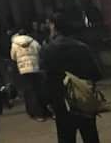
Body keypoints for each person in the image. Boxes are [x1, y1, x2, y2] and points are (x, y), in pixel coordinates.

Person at [41, 13, 102, 143]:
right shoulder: (82, 47)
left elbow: (46, 79)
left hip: (62, 101)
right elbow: (95, 74)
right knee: (90, 136)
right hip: (84, 98)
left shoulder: (48, 50)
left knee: (66, 137)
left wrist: (47, 102)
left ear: (54, 26)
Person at [10, 29, 48, 120]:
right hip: (35, 68)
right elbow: (40, 52)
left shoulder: (14, 44)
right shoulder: (34, 42)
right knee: (37, 89)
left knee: (28, 90)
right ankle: (41, 111)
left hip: (23, 69)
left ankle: (31, 111)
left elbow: (13, 56)